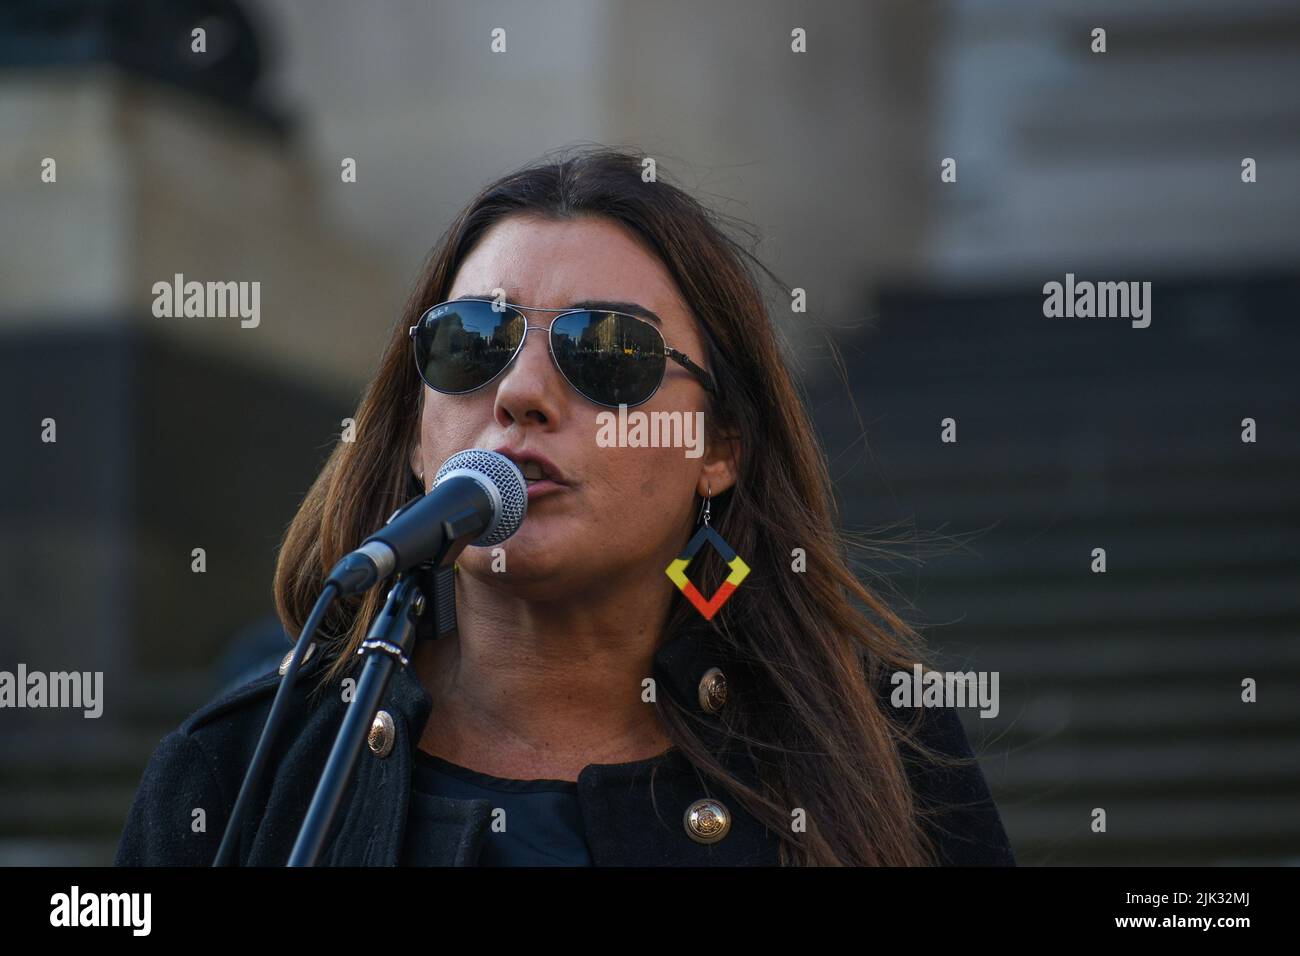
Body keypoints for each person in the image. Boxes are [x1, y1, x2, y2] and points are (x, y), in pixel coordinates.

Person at [114, 145, 1015, 866]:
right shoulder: (237, 770)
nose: (521, 394)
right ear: (420, 439)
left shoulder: (875, 750)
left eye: (610, 352)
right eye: (472, 344)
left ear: (718, 448)